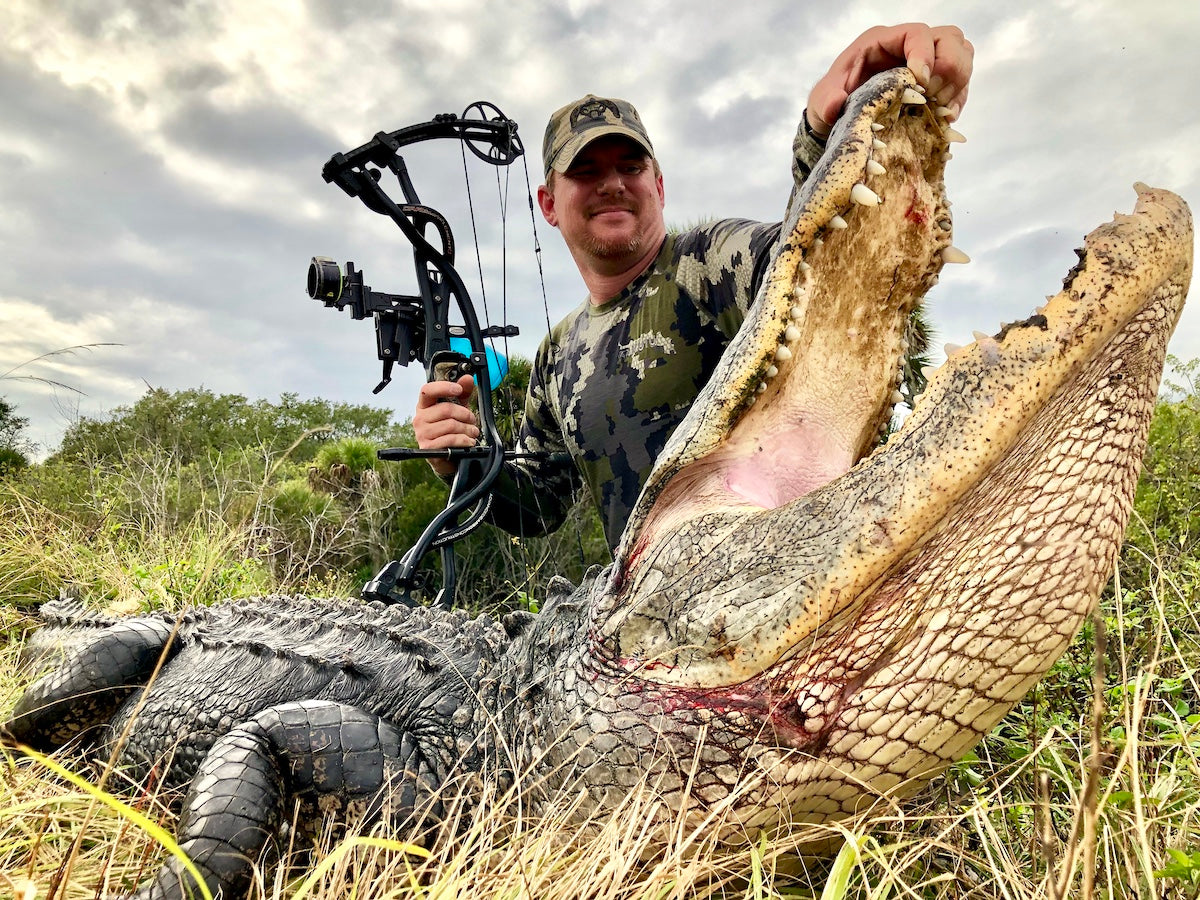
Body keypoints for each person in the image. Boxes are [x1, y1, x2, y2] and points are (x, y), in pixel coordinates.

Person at [413, 24, 974, 553]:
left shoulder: (709, 262)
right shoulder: (556, 354)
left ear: (658, 184)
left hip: (800, 584)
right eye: (585, 171)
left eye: (631, 166)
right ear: (550, 204)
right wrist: (462, 456)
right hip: (655, 630)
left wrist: (825, 134)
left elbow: (811, 265)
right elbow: (540, 505)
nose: (612, 184)